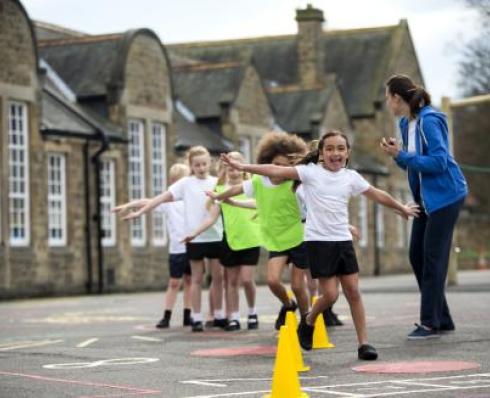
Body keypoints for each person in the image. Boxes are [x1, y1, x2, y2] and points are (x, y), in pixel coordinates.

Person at [221, 130, 419, 360]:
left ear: (347, 153)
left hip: (342, 242)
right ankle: (309, 318)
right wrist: (244, 167)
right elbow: (275, 170)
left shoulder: (351, 177)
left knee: (353, 292)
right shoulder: (310, 173)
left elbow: (376, 193)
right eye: (330, 148)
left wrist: (401, 208)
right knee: (330, 295)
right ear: (322, 154)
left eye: (340, 148)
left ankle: (364, 344)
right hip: (318, 242)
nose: (336, 152)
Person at [382, 74, 468, 340]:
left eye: (388, 98)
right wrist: (398, 156)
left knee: (433, 258)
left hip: (446, 197)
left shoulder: (430, 120)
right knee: (416, 256)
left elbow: (439, 162)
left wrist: (403, 155)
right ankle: (443, 318)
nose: (387, 103)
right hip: (424, 200)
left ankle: (429, 323)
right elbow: (413, 164)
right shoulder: (406, 122)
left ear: (397, 98)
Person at [117, 146, 226, 332]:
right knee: (197, 280)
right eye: (197, 164)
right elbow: (160, 199)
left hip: (215, 236)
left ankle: (219, 314)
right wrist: (139, 212)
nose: (201, 168)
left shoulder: (217, 182)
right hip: (194, 239)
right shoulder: (185, 183)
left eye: (204, 164)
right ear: (191, 165)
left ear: (210, 163)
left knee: (217, 278)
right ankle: (197, 317)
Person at [209, 132, 310, 331]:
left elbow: (316, 208)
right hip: (276, 240)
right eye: (276, 165)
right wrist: (219, 196)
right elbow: (236, 189)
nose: (279, 170)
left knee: (298, 286)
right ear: (266, 164)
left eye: (285, 166)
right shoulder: (259, 182)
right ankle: (289, 305)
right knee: (272, 281)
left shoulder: (297, 184)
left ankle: (307, 322)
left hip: (299, 238)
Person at [182, 152, 262, 331]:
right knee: (231, 282)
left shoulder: (253, 186)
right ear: (225, 170)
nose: (233, 172)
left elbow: (260, 205)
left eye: (236, 168)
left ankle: (252, 312)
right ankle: (233, 316)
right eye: (229, 168)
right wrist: (194, 233)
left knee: (248, 279)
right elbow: (211, 218)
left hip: (251, 239)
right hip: (229, 241)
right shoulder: (220, 191)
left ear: (242, 168)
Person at [113, 163, 193, 328]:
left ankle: (188, 314)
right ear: (173, 182)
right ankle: (167, 316)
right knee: (174, 283)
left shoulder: (192, 199)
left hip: (193, 247)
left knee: (190, 282)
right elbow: (147, 202)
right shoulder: (168, 202)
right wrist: (129, 205)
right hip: (177, 249)